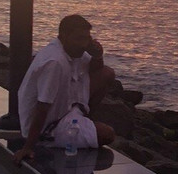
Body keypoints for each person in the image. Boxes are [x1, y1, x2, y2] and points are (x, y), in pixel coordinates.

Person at [13, 14, 117, 165]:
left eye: (87, 38)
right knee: (107, 134)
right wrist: (29, 146)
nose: (84, 44)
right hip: (50, 125)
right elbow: (42, 107)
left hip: (67, 108)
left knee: (107, 74)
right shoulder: (55, 62)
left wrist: (97, 55)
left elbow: (96, 70)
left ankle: (85, 120)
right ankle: (65, 132)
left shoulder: (74, 51)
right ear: (64, 36)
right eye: (79, 38)